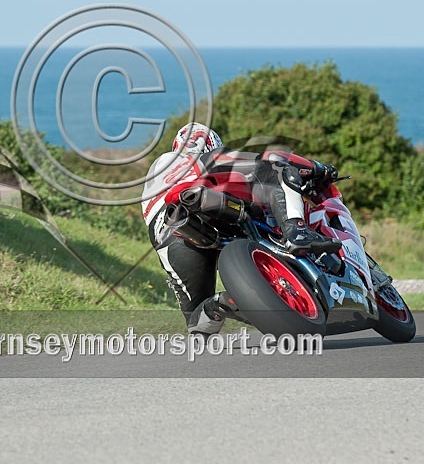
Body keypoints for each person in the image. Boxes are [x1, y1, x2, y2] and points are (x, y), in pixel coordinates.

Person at [141, 122, 341, 335]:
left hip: (166, 234)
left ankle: (222, 303)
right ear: (211, 143)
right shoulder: (205, 157)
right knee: (278, 168)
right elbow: (274, 156)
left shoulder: (157, 173)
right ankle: (296, 229)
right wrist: (318, 168)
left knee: (197, 323)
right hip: (204, 197)